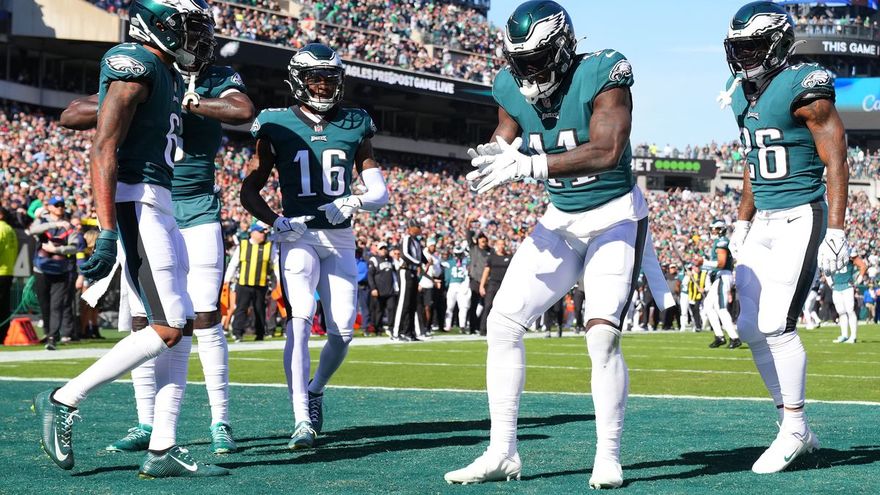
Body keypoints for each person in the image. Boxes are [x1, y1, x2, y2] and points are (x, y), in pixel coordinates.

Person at [446, 1, 650, 488]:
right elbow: (506, 133)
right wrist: (495, 153)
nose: (528, 72)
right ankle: (502, 453)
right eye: (520, 61)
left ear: (562, 49)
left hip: (615, 217)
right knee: (502, 322)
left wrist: (531, 165)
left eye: (537, 60)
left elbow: (608, 149)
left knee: (601, 335)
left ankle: (608, 455)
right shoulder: (508, 85)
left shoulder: (603, 72)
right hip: (560, 219)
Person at [32, 0, 227, 478]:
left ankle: (163, 448)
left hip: (161, 201)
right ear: (156, 25)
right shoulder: (134, 61)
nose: (197, 39)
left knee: (180, 326)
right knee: (167, 326)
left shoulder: (167, 72)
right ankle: (63, 399)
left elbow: (85, 115)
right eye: (187, 28)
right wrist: (106, 230)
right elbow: (103, 146)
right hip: (137, 199)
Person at [60, 41, 256, 455]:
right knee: (144, 319)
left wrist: (191, 102)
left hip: (194, 205)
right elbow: (72, 113)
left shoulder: (215, 78)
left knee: (203, 314)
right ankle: (147, 423)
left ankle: (220, 418)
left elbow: (242, 110)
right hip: (149, 203)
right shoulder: (151, 74)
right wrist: (136, 103)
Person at [721, 1, 849, 474]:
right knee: (749, 327)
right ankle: (793, 424)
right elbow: (753, 161)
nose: (744, 56)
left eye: (753, 46)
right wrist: (742, 220)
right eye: (738, 47)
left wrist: (837, 229)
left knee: (777, 323)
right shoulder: (742, 94)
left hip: (801, 214)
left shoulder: (804, 85)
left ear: (778, 43)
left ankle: (794, 427)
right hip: (766, 220)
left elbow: (836, 158)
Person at [241, 42, 389, 450]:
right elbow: (249, 189)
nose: (323, 86)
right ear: (298, 81)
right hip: (298, 235)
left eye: (329, 78)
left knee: (342, 331)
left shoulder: (356, 122)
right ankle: (300, 419)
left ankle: (316, 388)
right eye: (315, 78)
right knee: (301, 319)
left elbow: (379, 191)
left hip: (340, 237)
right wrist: (276, 221)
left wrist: (355, 201)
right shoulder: (275, 122)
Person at [29, 197, 78, 348]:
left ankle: (52, 337)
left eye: (62, 205)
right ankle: (48, 332)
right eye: (56, 205)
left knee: (57, 305)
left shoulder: (69, 225)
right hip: (41, 270)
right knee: (44, 304)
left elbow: (75, 247)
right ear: (49, 207)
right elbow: (32, 230)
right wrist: (54, 224)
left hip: (60, 271)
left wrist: (57, 250)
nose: (60, 207)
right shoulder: (42, 221)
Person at [224, 223, 277, 342]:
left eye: (264, 232)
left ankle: (260, 334)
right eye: (261, 232)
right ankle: (237, 333)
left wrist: (278, 281)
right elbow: (233, 264)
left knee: (260, 310)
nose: (263, 234)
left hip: (261, 284)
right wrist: (227, 280)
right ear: (253, 233)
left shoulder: (269, 246)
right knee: (241, 309)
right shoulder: (243, 245)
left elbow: (275, 264)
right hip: (243, 283)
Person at [703, 220, 741, 348]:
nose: (712, 231)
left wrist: (703, 263)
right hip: (719, 276)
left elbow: (721, 263)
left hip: (723, 276)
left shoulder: (722, 242)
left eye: (715, 229)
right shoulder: (718, 242)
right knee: (708, 305)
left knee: (721, 308)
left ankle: (734, 338)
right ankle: (719, 336)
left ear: (721, 230)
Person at [394, 219, 426, 341]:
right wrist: (418, 263)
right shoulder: (407, 239)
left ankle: (409, 332)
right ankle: (396, 332)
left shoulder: (417, 241)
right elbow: (405, 255)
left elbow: (420, 255)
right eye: (418, 227)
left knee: (412, 304)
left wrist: (426, 261)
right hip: (405, 271)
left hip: (413, 272)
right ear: (411, 228)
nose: (420, 229)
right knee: (404, 302)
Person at [829, 249, 867, 343]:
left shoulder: (849, 252)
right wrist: (830, 282)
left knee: (850, 310)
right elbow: (825, 270)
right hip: (836, 286)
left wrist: (858, 280)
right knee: (841, 312)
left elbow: (863, 266)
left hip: (847, 286)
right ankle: (844, 335)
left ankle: (853, 336)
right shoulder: (831, 254)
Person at [479, 239, 511, 337]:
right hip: (493, 284)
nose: (501, 246)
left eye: (503, 244)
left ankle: (503, 329)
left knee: (504, 308)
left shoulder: (510, 257)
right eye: (499, 244)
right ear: (496, 245)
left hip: (505, 286)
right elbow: (486, 271)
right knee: (488, 306)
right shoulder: (492, 257)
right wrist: (482, 286)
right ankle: (483, 329)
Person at [466, 219, 490, 335]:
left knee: (487, 305)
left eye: (484, 239)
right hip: (475, 280)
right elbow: (468, 235)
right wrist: (468, 223)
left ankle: (481, 325)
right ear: (478, 241)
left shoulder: (490, 251)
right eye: (480, 239)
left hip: (487, 282)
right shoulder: (473, 248)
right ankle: (472, 327)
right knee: (473, 305)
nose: (483, 241)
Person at [368, 242, 397, 334]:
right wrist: (373, 288)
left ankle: (391, 327)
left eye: (385, 248)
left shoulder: (391, 260)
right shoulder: (374, 259)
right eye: (381, 249)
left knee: (392, 309)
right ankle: (378, 328)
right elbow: (370, 275)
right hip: (379, 291)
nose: (383, 250)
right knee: (378, 310)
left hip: (390, 290)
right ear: (378, 250)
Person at [443, 245, 471, 332]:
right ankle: (451, 325)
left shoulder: (462, 262)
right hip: (456, 285)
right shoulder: (463, 262)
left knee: (461, 307)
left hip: (460, 285)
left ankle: (460, 325)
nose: (458, 256)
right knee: (451, 307)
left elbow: (447, 276)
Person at [0, 207, 17, 344]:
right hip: (8, 271)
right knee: (4, 307)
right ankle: (2, 335)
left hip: (1, 271)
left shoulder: (0, 229)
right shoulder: (10, 229)